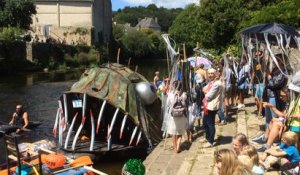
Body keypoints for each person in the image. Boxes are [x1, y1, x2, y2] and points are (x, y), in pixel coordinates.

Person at [200, 68, 222, 148]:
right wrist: (205, 90)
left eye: (212, 73)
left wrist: (205, 91)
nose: (210, 75)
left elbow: (209, 96)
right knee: (205, 122)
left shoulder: (217, 84)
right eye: (209, 73)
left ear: (216, 74)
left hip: (211, 106)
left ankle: (210, 141)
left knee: (210, 124)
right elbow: (204, 88)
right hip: (207, 105)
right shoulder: (212, 82)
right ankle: (207, 137)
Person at [166, 82, 187, 153]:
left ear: (173, 87)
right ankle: (178, 147)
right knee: (180, 131)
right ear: (181, 87)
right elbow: (185, 104)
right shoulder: (184, 94)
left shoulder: (170, 95)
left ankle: (175, 148)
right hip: (181, 115)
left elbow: (168, 105)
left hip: (173, 116)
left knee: (173, 133)